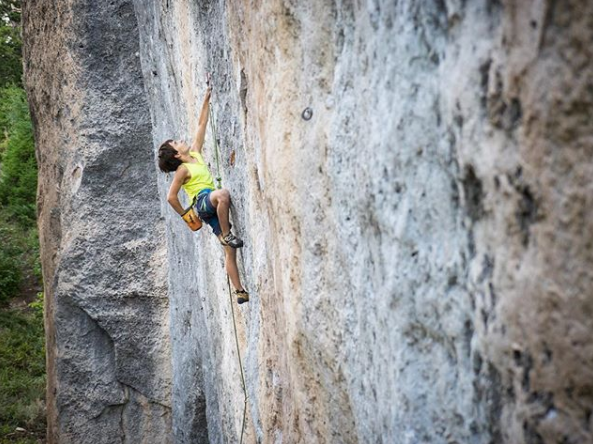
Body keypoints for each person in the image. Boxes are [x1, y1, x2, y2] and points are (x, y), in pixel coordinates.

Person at [157, 82, 248, 304]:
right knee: (222, 194)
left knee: (229, 252)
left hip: (210, 206)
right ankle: (227, 233)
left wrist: (207, 98)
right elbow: (171, 197)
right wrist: (187, 216)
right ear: (176, 154)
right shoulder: (182, 169)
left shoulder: (195, 154)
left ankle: (240, 291)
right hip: (203, 202)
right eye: (176, 143)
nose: (181, 141)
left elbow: (201, 124)